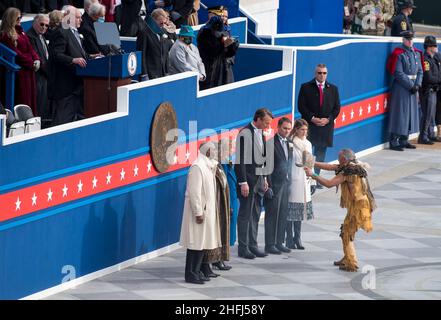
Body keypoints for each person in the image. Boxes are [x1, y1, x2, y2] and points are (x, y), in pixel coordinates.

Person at [305, 149, 376, 272]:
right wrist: (314, 163)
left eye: (339, 158)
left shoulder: (349, 171)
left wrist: (313, 174)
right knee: (345, 231)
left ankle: (351, 263)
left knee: (346, 233)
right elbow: (331, 166)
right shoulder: (354, 165)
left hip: (359, 207)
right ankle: (347, 258)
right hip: (359, 205)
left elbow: (329, 183)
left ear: (344, 159)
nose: (338, 160)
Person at [179, 141, 221, 284]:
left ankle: (197, 271)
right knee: (195, 244)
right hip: (199, 213)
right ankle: (190, 274)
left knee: (202, 243)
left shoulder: (208, 166)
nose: (216, 152)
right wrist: (198, 212)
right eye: (214, 149)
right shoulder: (197, 167)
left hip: (207, 212)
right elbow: (194, 192)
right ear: (208, 151)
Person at [234, 108, 273, 259]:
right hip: (248, 181)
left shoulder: (261, 133)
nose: (268, 126)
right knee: (245, 214)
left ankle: (253, 245)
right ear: (258, 119)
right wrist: (243, 182)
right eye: (266, 122)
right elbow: (240, 161)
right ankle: (243, 248)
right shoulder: (244, 133)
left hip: (258, 181)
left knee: (256, 214)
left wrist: (264, 179)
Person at [298, 64, 341, 188]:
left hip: (325, 127)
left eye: (324, 73)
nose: (322, 75)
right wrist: (312, 118)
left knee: (321, 153)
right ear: (315, 74)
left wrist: (328, 120)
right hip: (310, 126)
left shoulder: (333, 89)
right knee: (308, 151)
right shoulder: (306, 87)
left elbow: (337, 108)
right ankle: (307, 176)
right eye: (319, 73)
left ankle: (315, 178)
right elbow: (301, 106)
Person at [48, 6, 88, 125]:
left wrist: (93, 57)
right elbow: (56, 55)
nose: (81, 20)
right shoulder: (61, 32)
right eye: (78, 18)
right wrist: (73, 60)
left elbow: (80, 54)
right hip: (64, 87)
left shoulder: (73, 32)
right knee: (62, 121)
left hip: (76, 86)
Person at [386, 30, 422, 151]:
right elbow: (398, 73)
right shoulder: (399, 53)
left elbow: (420, 71)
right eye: (407, 39)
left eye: (411, 39)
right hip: (402, 87)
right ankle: (394, 140)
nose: (410, 41)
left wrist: (417, 84)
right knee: (400, 113)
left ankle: (404, 139)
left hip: (413, 87)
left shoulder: (416, 53)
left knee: (410, 113)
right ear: (403, 40)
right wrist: (411, 85)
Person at [0, 7, 40, 116]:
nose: (19, 20)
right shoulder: (6, 35)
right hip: (21, 72)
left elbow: (30, 48)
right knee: (23, 96)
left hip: (28, 71)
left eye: (20, 17)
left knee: (30, 97)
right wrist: (30, 62)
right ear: (11, 18)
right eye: (18, 18)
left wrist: (36, 59)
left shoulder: (21, 32)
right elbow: (16, 53)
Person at [203, 139, 233, 275]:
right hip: (213, 206)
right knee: (211, 237)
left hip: (222, 204)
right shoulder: (210, 167)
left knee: (221, 234)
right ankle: (207, 264)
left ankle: (218, 259)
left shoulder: (219, 165)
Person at [264, 117, 292, 255]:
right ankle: (270, 244)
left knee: (283, 214)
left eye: (289, 129)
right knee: (272, 215)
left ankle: (279, 242)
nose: (287, 131)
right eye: (284, 128)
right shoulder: (270, 144)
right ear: (278, 128)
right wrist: (268, 185)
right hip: (274, 184)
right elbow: (267, 167)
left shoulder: (289, 143)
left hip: (286, 183)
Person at [286, 119, 314, 250]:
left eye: (306, 130)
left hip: (305, 180)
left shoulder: (308, 144)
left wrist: (312, 180)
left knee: (300, 211)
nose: (304, 132)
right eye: (302, 129)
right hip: (294, 179)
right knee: (291, 209)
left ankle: (298, 237)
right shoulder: (291, 143)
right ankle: (289, 238)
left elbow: (310, 163)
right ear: (296, 129)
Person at [197, 15, 239, 90]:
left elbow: (229, 54)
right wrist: (223, 45)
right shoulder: (204, 34)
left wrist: (233, 46)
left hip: (225, 69)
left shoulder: (224, 32)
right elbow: (210, 53)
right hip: (211, 69)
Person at [136, 8, 175, 80]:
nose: (162, 25)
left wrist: (166, 71)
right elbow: (142, 55)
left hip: (162, 73)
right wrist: (144, 74)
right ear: (153, 20)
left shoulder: (164, 31)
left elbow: (166, 53)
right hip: (150, 74)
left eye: (164, 23)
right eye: (160, 23)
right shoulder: (144, 32)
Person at [26, 14, 51, 127]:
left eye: (47, 25)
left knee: (45, 104)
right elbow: (38, 57)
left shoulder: (41, 36)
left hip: (45, 76)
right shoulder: (30, 36)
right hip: (38, 76)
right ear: (34, 22)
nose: (44, 27)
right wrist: (51, 72)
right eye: (42, 24)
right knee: (40, 105)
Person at [418, 36, 441, 144]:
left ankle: (430, 134)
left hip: (434, 89)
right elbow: (428, 77)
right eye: (434, 46)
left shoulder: (434, 57)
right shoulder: (426, 59)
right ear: (429, 47)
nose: (436, 47)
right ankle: (423, 136)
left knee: (431, 115)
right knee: (427, 114)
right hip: (428, 90)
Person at [221, 137, 239, 249]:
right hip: (228, 198)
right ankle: (223, 250)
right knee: (227, 225)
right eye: (231, 146)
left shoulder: (229, 160)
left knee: (232, 223)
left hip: (233, 196)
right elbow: (224, 183)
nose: (232, 149)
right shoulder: (223, 162)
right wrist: (229, 205)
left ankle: (227, 248)